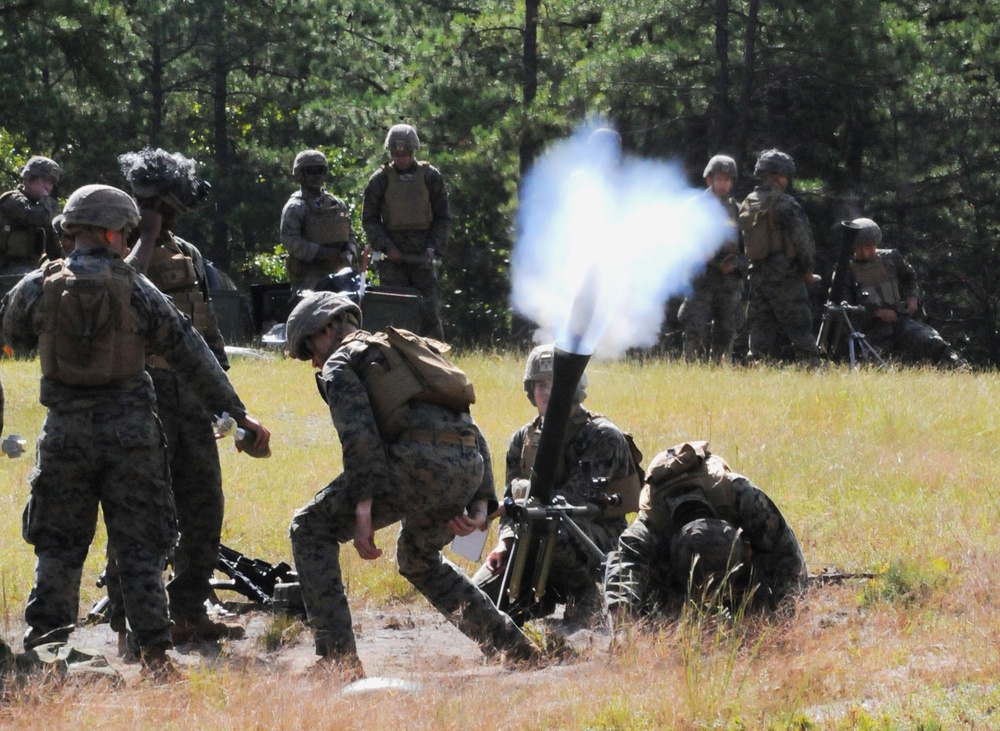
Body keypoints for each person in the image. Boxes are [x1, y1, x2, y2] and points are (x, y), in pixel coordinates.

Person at [0, 184, 270, 680]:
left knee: (58, 548)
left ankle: (47, 657)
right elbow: (192, 355)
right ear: (112, 232)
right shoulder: (138, 288)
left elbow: (11, 334)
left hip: (64, 436)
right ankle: (155, 657)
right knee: (142, 547)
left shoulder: (37, 287)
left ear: (71, 233)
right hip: (133, 436)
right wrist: (238, 414)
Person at [284, 291, 539, 678]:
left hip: (413, 465)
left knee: (309, 528)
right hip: (466, 466)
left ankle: (339, 661)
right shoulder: (406, 351)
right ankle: (514, 648)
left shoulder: (342, 360)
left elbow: (359, 437)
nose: (313, 362)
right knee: (418, 559)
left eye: (309, 351)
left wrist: (363, 508)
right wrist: (482, 501)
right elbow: (467, 422)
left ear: (328, 330)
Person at [105, 147, 248, 648]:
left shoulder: (187, 252)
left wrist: (225, 400)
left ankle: (187, 609)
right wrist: (142, 234)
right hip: (143, 398)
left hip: (190, 398)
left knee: (204, 506)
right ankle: (130, 622)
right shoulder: (115, 249)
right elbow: (123, 288)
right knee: (142, 511)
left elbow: (201, 329)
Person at [471, 344, 642, 625]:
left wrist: (510, 506)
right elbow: (510, 499)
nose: (546, 392)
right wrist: (504, 543)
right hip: (532, 535)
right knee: (476, 600)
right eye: (539, 384)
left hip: (596, 538)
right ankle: (532, 605)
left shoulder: (601, 435)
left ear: (574, 388)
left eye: (554, 384)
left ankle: (586, 598)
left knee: (553, 528)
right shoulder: (521, 439)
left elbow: (569, 502)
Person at [604, 441, 807, 622]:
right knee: (656, 612)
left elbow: (786, 554)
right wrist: (624, 627)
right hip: (675, 581)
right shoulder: (650, 527)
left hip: (742, 575)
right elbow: (622, 574)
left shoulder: (741, 495)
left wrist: (785, 613)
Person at [362, 123, 451, 339]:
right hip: (393, 262)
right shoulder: (380, 180)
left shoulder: (431, 177)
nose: (400, 157)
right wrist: (386, 247)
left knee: (429, 315)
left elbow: (443, 218)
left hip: (423, 259)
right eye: (396, 153)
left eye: (404, 153)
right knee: (393, 316)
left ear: (412, 152)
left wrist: (432, 248)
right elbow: (370, 220)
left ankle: (434, 361)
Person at [843, 217, 967, 369]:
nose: (873, 251)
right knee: (876, 366)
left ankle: (960, 368)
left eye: (874, 246)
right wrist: (876, 313)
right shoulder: (845, 272)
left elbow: (909, 276)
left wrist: (913, 296)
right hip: (870, 333)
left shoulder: (890, 258)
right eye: (868, 247)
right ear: (856, 247)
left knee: (931, 340)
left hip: (900, 321)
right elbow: (844, 311)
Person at [738, 149, 821, 365]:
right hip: (786, 277)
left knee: (759, 335)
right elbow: (803, 241)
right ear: (778, 176)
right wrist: (807, 269)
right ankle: (812, 373)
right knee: (801, 331)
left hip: (757, 277)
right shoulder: (786, 204)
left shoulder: (749, 202)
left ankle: (756, 372)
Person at [679, 154, 745, 363]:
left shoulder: (737, 209)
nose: (723, 184)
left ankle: (717, 371)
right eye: (719, 179)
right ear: (709, 179)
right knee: (695, 330)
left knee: (726, 332)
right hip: (701, 279)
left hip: (728, 282)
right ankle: (690, 372)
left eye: (727, 180)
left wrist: (735, 266)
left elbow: (748, 247)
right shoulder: (695, 206)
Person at [280, 149, 357, 292]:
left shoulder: (336, 204)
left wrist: (349, 253)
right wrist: (321, 252)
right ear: (301, 174)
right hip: (308, 277)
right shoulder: (296, 207)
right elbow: (289, 240)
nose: (318, 176)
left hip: (339, 274)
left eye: (321, 170)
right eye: (311, 171)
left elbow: (350, 235)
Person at [0, 156, 63, 277]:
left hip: (30, 266)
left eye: (50, 183)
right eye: (44, 181)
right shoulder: (13, 200)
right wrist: (45, 199)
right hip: (6, 266)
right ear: (29, 179)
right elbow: (37, 218)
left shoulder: (41, 207)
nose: (48, 187)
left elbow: (53, 244)